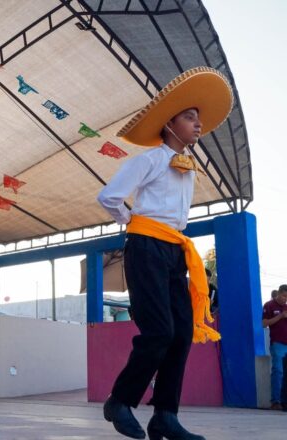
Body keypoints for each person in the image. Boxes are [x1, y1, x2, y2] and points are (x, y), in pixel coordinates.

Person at [97, 67, 233, 440]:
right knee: (158, 331)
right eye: (190, 117)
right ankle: (119, 401)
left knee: (181, 333)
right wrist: (135, 223)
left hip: (175, 250)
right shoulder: (150, 160)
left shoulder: (188, 169)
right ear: (169, 123)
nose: (197, 125)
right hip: (145, 246)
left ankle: (165, 417)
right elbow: (108, 196)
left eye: (199, 119)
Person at [262, 284, 287, 410]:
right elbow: (264, 323)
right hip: (278, 342)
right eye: (284, 296)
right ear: (278, 293)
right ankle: (276, 401)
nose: (286, 299)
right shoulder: (269, 305)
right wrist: (280, 316)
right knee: (278, 371)